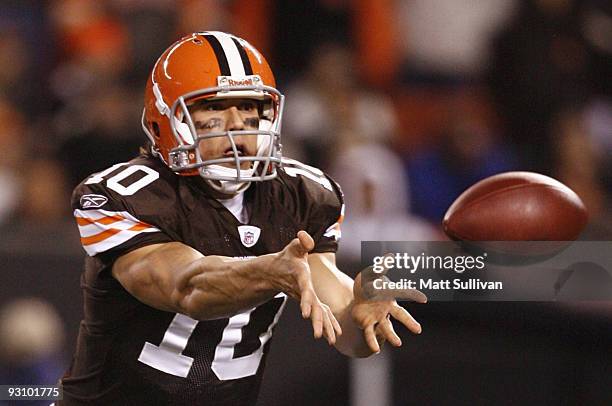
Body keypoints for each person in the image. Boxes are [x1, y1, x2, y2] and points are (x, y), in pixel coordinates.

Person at [59, 31, 426, 405]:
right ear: (165, 121)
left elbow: (343, 327)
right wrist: (268, 271)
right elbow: (185, 288)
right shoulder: (126, 195)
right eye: (214, 108)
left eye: (250, 108)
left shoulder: (301, 195)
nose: (237, 125)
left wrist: (364, 317)